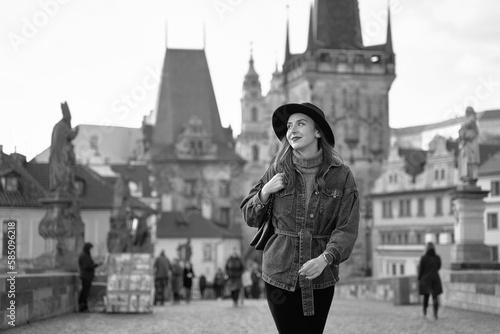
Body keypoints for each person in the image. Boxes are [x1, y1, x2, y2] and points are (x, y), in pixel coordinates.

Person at [240, 102, 359, 334]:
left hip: (320, 273)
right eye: (290, 125)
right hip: (279, 273)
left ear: (317, 132)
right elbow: (249, 215)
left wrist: (326, 258)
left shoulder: (341, 176)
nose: (292, 130)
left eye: (301, 124)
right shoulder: (277, 169)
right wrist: (265, 192)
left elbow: (347, 227)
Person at [418, 242, 443, 319]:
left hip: (426, 280)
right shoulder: (437, 257)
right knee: (435, 297)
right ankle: (435, 313)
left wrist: (419, 278)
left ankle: (425, 312)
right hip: (435, 279)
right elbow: (439, 267)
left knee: (426, 297)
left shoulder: (424, 258)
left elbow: (421, 270)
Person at [78, 242, 101, 312]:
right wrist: (96, 265)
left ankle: (84, 306)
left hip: (87, 276)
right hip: (86, 276)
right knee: (84, 292)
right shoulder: (84, 256)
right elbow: (87, 266)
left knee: (85, 292)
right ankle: (83, 307)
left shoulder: (85, 255)